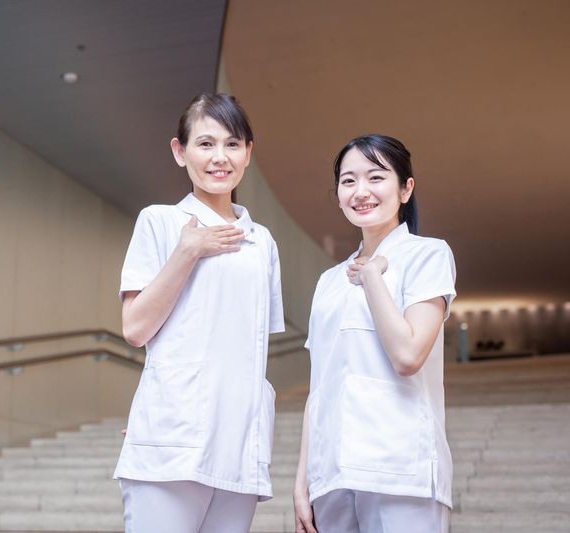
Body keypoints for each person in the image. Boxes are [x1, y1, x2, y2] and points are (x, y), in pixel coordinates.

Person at [113, 93, 284, 533]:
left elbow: (248, 350)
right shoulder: (160, 222)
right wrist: (187, 252)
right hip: (172, 442)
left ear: (248, 153)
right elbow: (135, 328)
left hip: (239, 445)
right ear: (180, 151)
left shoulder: (261, 241)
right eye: (205, 144)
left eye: (232, 144)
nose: (219, 157)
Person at [293, 134, 456, 533]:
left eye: (376, 177)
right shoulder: (329, 281)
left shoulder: (428, 255)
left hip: (401, 469)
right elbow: (320, 387)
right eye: (348, 181)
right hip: (331, 474)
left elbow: (408, 356)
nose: (360, 191)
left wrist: (371, 277)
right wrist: (303, 480)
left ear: (405, 189)